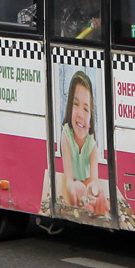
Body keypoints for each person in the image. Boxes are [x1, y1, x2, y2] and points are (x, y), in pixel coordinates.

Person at [58, 71, 109, 215]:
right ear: (69, 106)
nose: (80, 114)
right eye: (76, 104)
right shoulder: (66, 135)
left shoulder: (91, 145)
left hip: (86, 187)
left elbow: (94, 180)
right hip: (74, 187)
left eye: (86, 109)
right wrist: (73, 188)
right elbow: (68, 179)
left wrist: (95, 191)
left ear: (91, 116)